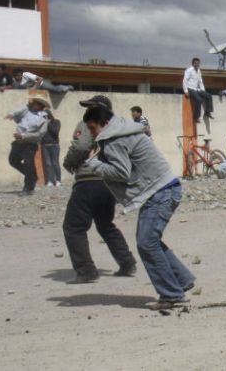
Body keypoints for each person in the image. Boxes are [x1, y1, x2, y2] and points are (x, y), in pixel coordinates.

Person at [81, 104, 195, 310]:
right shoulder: (123, 130)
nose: (91, 133)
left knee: (147, 243)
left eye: (92, 128)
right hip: (163, 188)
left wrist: (94, 164)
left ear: (104, 124)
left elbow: (121, 172)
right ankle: (181, 279)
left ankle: (171, 294)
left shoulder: (114, 138)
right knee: (150, 241)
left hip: (160, 192)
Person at [61, 95, 137, 284]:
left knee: (73, 227)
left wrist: (69, 163)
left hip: (88, 180)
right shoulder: (118, 126)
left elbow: (80, 146)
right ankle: (127, 262)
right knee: (105, 224)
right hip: (109, 182)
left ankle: (86, 270)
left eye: (91, 107)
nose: (88, 111)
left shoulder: (90, 123)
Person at [6, 95, 49, 195]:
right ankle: (32, 176)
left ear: (40, 105)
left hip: (30, 143)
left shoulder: (43, 117)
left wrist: (23, 136)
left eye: (36, 103)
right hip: (18, 142)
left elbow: (40, 134)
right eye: (33, 102)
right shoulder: (26, 110)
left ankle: (28, 188)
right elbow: (17, 110)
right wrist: (11, 114)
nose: (33, 103)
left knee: (28, 164)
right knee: (13, 160)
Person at [182, 57, 214, 123]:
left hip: (197, 89)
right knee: (199, 100)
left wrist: (203, 91)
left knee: (209, 96)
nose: (197, 64)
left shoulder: (199, 71)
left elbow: (200, 82)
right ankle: (196, 117)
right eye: (195, 63)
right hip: (190, 88)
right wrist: (186, 91)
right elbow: (184, 80)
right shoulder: (189, 70)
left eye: (198, 63)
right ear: (193, 64)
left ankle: (207, 113)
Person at [1, 68, 74, 93]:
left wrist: (34, 87)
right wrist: (4, 87)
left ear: (21, 74)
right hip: (35, 90)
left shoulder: (26, 74)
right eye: (15, 76)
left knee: (55, 89)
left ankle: (67, 87)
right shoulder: (15, 81)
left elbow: (40, 79)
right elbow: (12, 86)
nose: (17, 77)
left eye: (18, 75)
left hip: (41, 84)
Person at [41, 109, 62, 187]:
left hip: (54, 145)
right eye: (43, 116)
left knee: (55, 163)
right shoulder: (42, 124)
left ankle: (58, 180)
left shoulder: (56, 122)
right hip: (45, 146)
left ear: (49, 115)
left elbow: (55, 132)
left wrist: (48, 124)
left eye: (46, 116)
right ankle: (50, 180)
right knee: (48, 164)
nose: (44, 118)